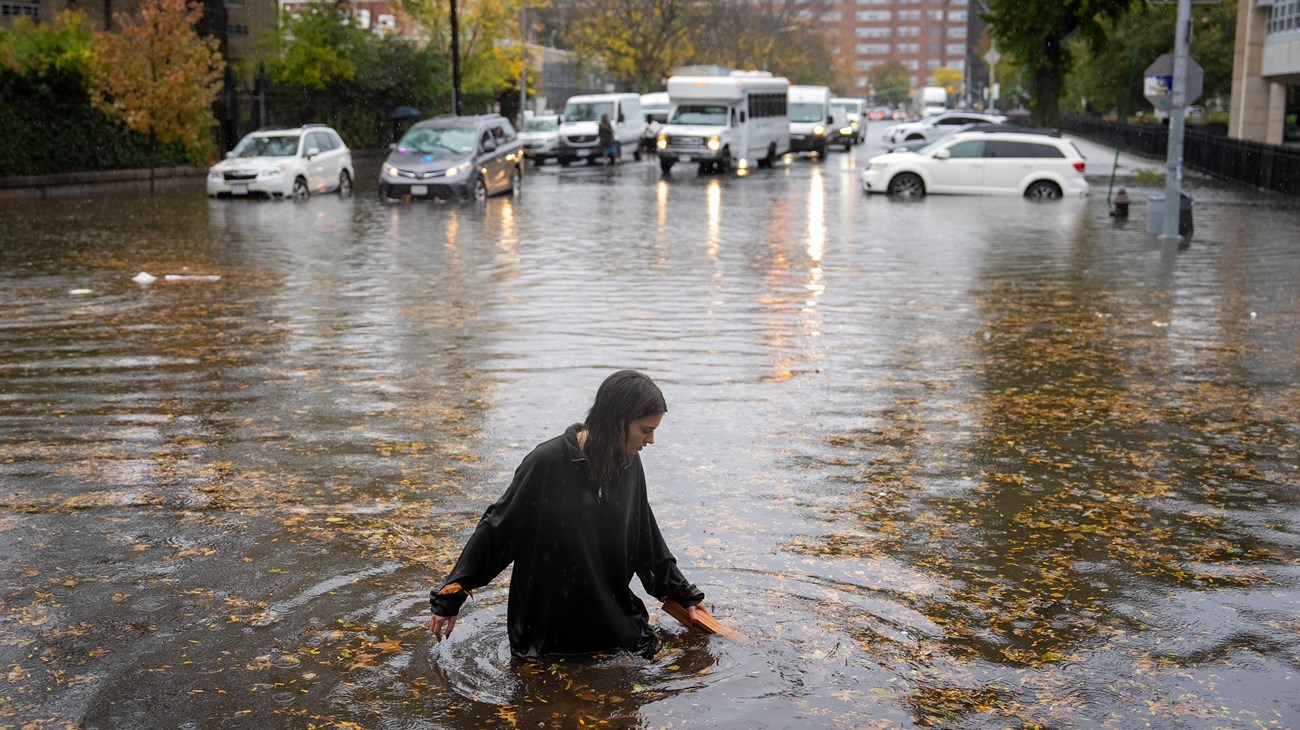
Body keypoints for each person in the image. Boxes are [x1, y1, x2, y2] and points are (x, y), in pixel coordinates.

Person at [429, 370, 705, 658]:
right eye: (645, 430)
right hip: (545, 636)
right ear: (617, 421)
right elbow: (497, 531)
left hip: (611, 628)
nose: (651, 440)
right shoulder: (546, 462)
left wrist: (684, 595)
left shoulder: (629, 465)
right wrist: (452, 595)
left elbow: (646, 542)